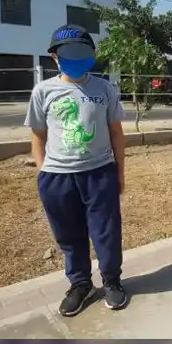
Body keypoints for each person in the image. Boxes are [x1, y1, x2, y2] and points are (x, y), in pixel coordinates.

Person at [25, 25, 128, 316]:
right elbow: (38, 136)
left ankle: (112, 280)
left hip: (99, 173)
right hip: (57, 179)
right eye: (67, 53)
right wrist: (43, 172)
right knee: (69, 235)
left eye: (82, 52)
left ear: (93, 54)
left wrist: (120, 172)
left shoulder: (104, 89)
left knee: (106, 232)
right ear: (54, 57)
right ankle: (80, 284)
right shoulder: (43, 91)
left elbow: (117, 133)